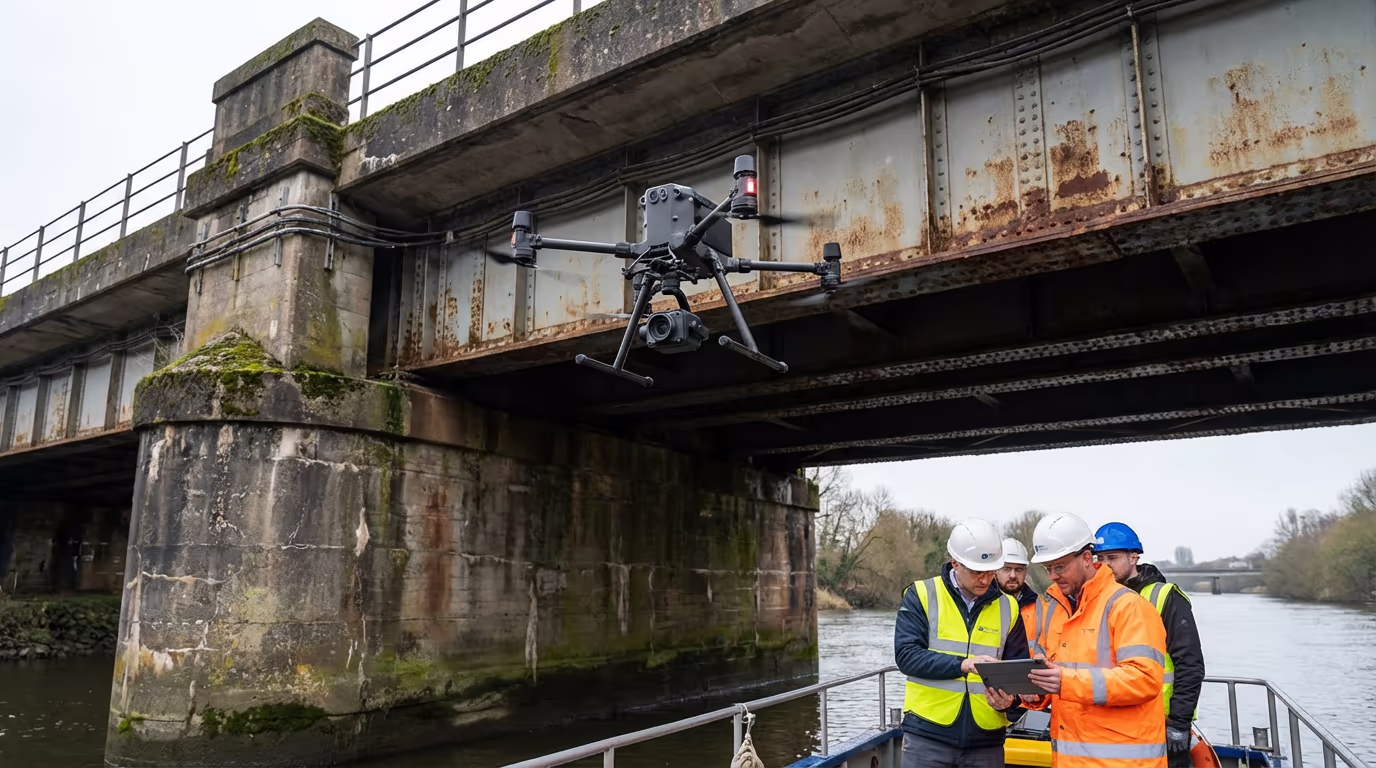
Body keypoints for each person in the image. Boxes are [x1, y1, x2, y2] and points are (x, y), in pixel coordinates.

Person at [987, 512, 1168, 768]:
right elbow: (1059, 682)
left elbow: (1145, 680)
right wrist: (1027, 695)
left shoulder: (1129, 607)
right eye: (1048, 568)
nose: (1053, 575)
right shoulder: (1057, 609)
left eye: (1059, 567)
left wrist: (1064, 681)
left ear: (1086, 558)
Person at [895, 518, 1030, 768]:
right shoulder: (922, 595)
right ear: (955, 563)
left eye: (991, 571)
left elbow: (1017, 670)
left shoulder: (1008, 606)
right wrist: (964, 664)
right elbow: (907, 656)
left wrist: (1011, 703)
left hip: (987, 740)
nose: (985, 579)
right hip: (928, 735)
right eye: (978, 571)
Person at [1094, 522, 1205, 768]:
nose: (1105, 565)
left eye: (1112, 557)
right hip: (1111, 722)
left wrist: (1179, 722)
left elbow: (1190, 663)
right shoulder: (1097, 600)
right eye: (1099, 558)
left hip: (1161, 724)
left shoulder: (1165, 597)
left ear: (1134, 557)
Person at [996, 538, 1039, 646]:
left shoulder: (1040, 608)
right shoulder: (982, 604)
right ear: (995, 570)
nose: (1013, 575)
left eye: (1019, 569)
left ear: (1026, 571)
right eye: (1006, 568)